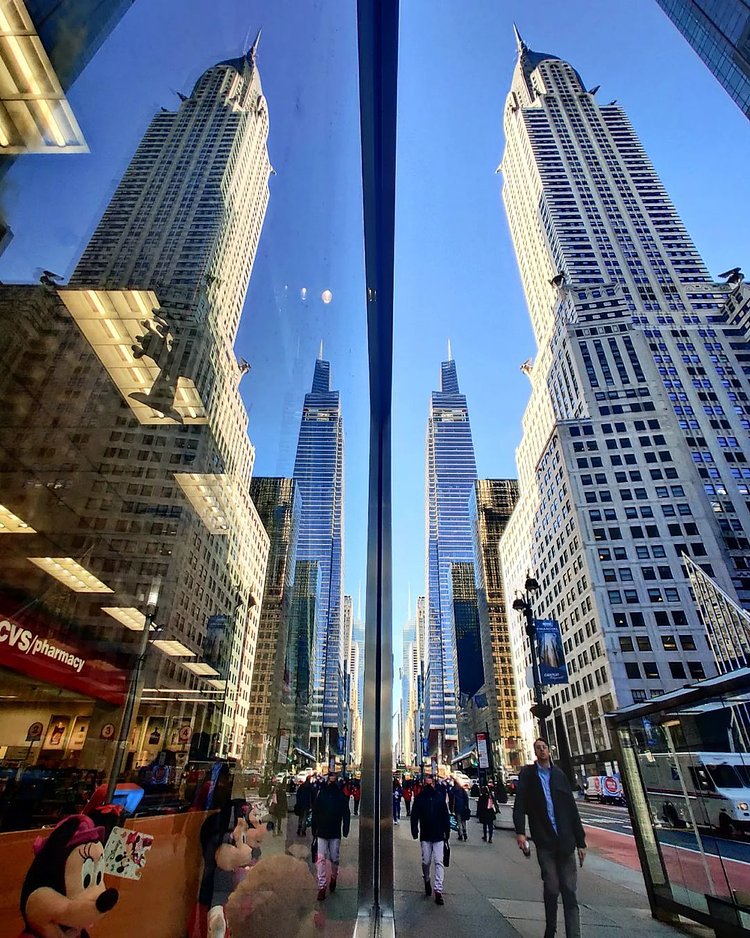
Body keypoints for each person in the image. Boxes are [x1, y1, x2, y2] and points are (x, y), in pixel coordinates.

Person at [513, 738, 587, 938]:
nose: (542, 750)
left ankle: (574, 934)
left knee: (570, 892)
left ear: (549, 751)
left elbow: (572, 810)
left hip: (566, 842)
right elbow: (519, 804)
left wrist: (581, 842)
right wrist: (520, 831)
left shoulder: (559, 775)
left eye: (544, 747)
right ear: (535, 753)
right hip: (545, 841)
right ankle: (550, 929)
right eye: (538, 748)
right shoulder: (528, 775)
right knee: (552, 887)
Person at [410, 769, 451, 906]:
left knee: (438, 862)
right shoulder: (420, 798)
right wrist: (414, 829)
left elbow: (445, 816)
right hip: (426, 835)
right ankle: (427, 879)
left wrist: (447, 832)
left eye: (430, 781)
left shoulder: (439, 798)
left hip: (438, 835)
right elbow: (414, 815)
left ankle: (438, 890)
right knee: (426, 861)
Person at [311, 770, 350, 901]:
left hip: (331, 831)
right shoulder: (325, 794)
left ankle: (333, 876)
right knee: (321, 859)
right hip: (324, 831)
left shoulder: (336, 795)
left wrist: (345, 827)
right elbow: (316, 811)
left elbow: (345, 812)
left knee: (334, 858)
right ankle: (322, 886)